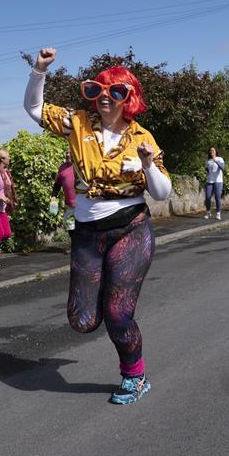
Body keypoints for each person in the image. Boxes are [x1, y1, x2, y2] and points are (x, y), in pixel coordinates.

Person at [24, 47, 172, 405]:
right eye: (98, 90)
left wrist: (148, 166)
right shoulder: (77, 123)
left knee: (118, 313)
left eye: (116, 92)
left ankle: (134, 377)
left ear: (129, 99)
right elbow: (34, 109)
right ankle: (108, 296)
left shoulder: (142, 138)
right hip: (88, 234)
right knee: (83, 320)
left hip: (131, 229)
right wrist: (40, 71)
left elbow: (163, 193)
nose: (105, 97)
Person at [51, 151, 77, 243]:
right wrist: (54, 195)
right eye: (66, 153)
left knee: (84, 227)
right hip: (70, 204)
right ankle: (73, 245)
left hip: (82, 203)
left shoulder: (80, 166)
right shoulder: (62, 167)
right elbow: (57, 184)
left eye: (70, 152)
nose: (67, 155)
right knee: (70, 226)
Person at [204, 147, 225, 220]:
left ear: (216, 151)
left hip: (218, 181)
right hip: (209, 181)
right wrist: (206, 172)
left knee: (217, 197)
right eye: (210, 150)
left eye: (213, 150)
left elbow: (222, 168)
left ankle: (218, 213)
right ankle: (208, 212)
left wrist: (216, 161)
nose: (211, 151)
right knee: (207, 197)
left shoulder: (220, 159)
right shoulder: (208, 161)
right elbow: (207, 169)